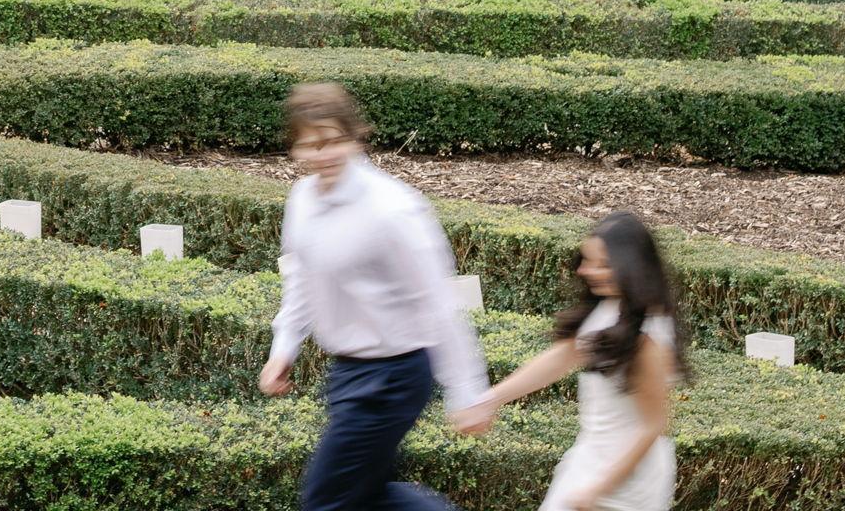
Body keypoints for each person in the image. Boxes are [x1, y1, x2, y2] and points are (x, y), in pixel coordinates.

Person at [257, 80, 488, 511]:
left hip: (394, 377)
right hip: (347, 373)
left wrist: (467, 392)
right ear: (295, 148)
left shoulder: (393, 209)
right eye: (310, 145)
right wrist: (284, 347)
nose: (322, 155)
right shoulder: (302, 199)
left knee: (326, 501)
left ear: (355, 136)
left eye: (332, 141)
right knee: (368, 497)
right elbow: (302, 281)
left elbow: (437, 303)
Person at [451, 212, 684, 511]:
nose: (586, 271)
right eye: (586, 261)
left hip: (628, 483)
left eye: (602, 265)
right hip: (590, 461)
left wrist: (599, 489)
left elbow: (652, 426)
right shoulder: (609, 308)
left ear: (632, 267)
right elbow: (563, 357)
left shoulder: (646, 337)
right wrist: (489, 401)